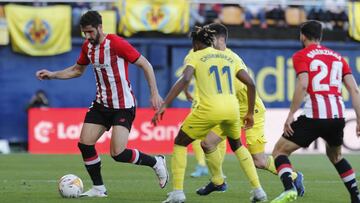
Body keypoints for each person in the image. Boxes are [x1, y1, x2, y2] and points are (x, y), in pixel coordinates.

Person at [35, 10, 168, 198]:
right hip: (101, 104)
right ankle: (99, 188)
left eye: (90, 32)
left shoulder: (116, 44)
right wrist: (52, 74)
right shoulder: (87, 47)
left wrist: (154, 93)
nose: (87, 36)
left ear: (100, 27)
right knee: (85, 144)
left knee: (118, 153)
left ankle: (156, 161)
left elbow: (145, 64)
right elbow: (77, 70)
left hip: (123, 106)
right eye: (84, 33)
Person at [186, 23, 303, 199]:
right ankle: (218, 181)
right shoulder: (213, 57)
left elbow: (250, 85)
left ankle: (294, 176)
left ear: (220, 40)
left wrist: (249, 112)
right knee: (207, 143)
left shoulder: (231, 58)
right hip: (231, 111)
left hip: (251, 110)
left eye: (211, 39)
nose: (208, 42)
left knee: (259, 161)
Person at [152, 25, 260, 203]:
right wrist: (249, 112)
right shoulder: (229, 55)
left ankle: (178, 192)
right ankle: (257, 190)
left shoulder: (195, 55)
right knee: (236, 145)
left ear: (195, 43)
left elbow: (185, 78)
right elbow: (251, 83)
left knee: (180, 142)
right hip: (233, 109)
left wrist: (165, 105)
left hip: (209, 107)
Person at [271, 20, 360, 203]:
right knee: (336, 156)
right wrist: (359, 119)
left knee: (279, 152)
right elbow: (354, 90)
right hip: (337, 116)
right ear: (320, 36)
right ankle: (356, 196)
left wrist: (290, 115)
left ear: (302, 35)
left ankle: (289, 189)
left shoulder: (302, 55)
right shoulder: (338, 57)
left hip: (314, 116)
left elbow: (303, 84)